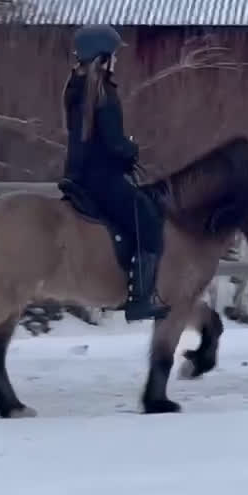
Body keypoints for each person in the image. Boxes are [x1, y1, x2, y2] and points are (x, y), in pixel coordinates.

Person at [60, 23, 169, 322]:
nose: (117, 61)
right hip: (101, 179)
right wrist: (131, 150)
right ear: (103, 57)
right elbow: (112, 141)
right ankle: (140, 298)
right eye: (114, 55)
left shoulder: (75, 87)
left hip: (80, 174)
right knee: (147, 219)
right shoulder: (101, 93)